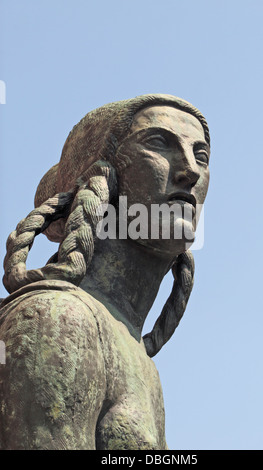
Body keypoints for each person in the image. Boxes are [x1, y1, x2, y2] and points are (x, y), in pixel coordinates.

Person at [0, 94, 210, 450]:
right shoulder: (58, 319)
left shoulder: (141, 363)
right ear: (103, 177)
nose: (190, 170)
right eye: (159, 143)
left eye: (201, 155)